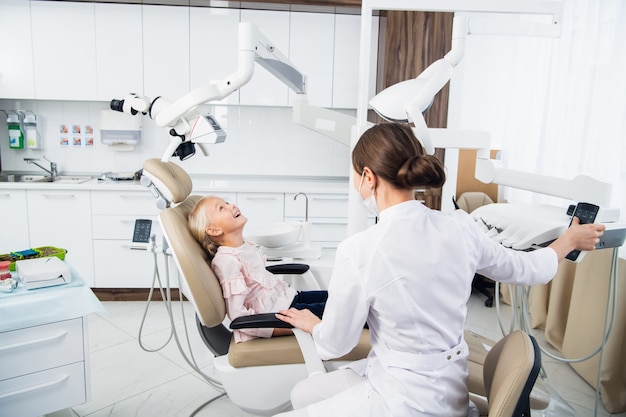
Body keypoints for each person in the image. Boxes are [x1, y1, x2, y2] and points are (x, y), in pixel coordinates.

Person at [274, 123, 605, 417]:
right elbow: (530, 268)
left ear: (368, 177)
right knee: (302, 393)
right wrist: (570, 239)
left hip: (403, 401)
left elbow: (335, 345)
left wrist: (314, 324)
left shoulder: (359, 250)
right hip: (445, 390)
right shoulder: (461, 226)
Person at [188, 195, 328, 343]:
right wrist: (284, 328)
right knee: (339, 310)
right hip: (279, 314)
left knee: (338, 298)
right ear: (214, 230)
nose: (232, 205)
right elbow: (238, 316)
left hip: (287, 298)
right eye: (222, 208)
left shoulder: (245, 245)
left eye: (227, 203)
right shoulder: (226, 261)